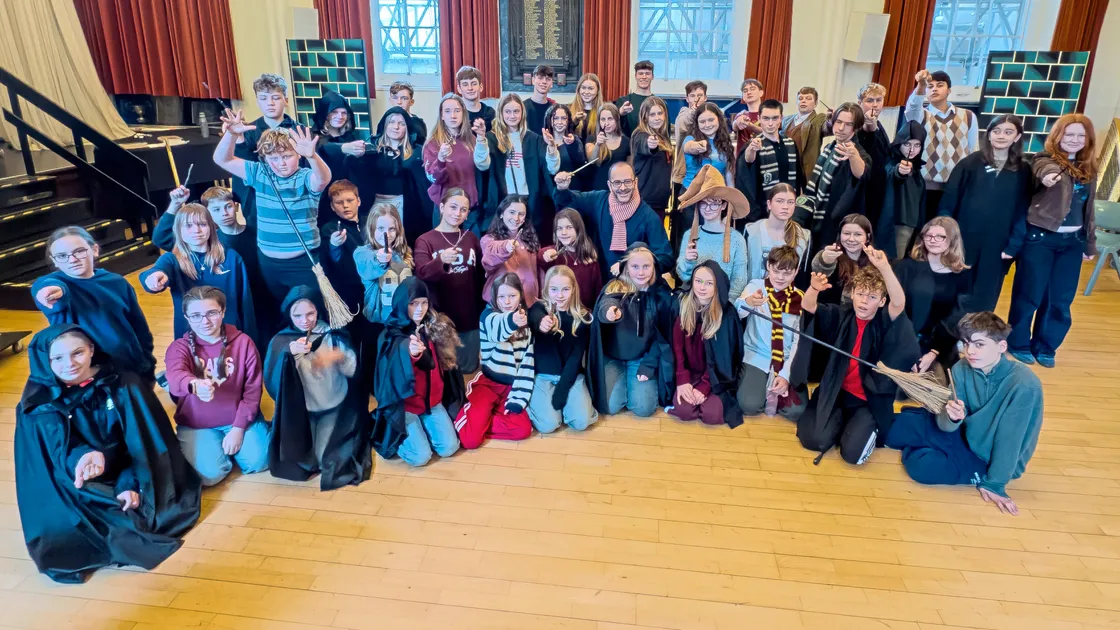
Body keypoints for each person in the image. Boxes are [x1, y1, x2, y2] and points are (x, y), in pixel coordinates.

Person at [16, 324, 201, 584]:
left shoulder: (123, 384)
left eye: (78, 353)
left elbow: (143, 445)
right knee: (83, 526)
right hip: (79, 476)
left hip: (130, 466)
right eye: (56, 358)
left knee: (151, 511)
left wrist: (130, 484)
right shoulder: (38, 405)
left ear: (91, 349)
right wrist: (81, 458)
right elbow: (51, 462)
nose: (70, 364)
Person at [886, 312, 1043, 516]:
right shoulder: (961, 368)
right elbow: (946, 423)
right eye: (966, 344)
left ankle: (926, 442)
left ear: (1001, 347)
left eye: (979, 344)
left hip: (987, 457)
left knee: (922, 467)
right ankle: (926, 439)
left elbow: (1010, 441)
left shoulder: (1024, 385)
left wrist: (995, 483)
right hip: (964, 434)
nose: (970, 351)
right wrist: (952, 417)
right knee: (895, 427)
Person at [792, 249, 920, 465]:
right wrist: (814, 289)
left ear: (881, 302)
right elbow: (809, 307)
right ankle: (842, 424)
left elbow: (898, 303)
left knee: (852, 455)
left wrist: (884, 268)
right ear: (852, 294)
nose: (863, 302)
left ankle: (861, 426)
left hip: (867, 400)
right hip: (836, 392)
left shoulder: (883, 322)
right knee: (813, 439)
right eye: (860, 294)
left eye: (871, 297)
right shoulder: (841, 315)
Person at [213, 109, 330, 313]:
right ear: (265, 158)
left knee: (310, 311)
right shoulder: (260, 173)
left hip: (304, 261)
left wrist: (312, 157)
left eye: (286, 156)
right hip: (269, 262)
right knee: (280, 312)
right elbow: (223, 160)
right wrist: (231, 135)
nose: (280, 163)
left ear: (297, 155)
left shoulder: (304, 177)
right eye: (273, 158)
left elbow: (323, 179)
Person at [1005, 114, 1099, 368]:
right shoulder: (1043, 160)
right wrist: (1048, 178)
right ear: (1058, 136)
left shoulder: (1089, 167)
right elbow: (1043, 171)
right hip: (1040, 239)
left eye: (1081, 135)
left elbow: (1089, 209)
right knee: (1030, 294)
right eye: (1069, 135)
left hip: (1072, 243)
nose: (1075, 140)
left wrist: (1090, 243)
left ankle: (1045, 346)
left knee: (1060, 299)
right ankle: (1018, 343)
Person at [263, 286, 370, 490]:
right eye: (298, 315)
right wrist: (290, 355)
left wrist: (340, 357)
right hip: (303, 411)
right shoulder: (282, 341)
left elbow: (353, 371)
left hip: (333, 406)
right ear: (289, 315)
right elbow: (273, 381)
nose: (305, 320)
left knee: (325, 460)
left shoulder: (332, 334)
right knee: (301, 459)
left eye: (310, 313)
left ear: (318, 311)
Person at [165, 287, 270, 486]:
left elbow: (252, 391)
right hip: (198, 424)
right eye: (196, 315)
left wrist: (238, 429)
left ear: (222, 312)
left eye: (212, 313)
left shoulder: (243, 343)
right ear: (186, 317)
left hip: (236, 418)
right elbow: (176, 378)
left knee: (259, 462)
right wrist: (194, 384)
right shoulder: (178, 348)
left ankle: (241, 441)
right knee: (209, 476)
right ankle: (218, 449)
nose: (205, 322)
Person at [32, 226, 156, 382]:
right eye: (62, 255)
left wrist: (146, 361)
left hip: (129, 366)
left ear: (94, 250)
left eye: (79, 251)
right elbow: (48, 287)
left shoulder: (117, 282)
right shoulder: (55, 285)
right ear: (54, 260)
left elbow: (138, 325)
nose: (72, 259)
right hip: (89, 376)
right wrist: (52, 290)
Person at [939, 114, 1031, 312]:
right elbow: (949, 200)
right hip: (963, 240)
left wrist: (1014, 244)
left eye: (1008, 132)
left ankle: (977, 339)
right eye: (996, 131)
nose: (1001, 136)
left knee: (986, 294)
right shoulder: (970, 163)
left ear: (1017, 137)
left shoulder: (1024, 171)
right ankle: (946, 338)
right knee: (953, 290)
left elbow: (1023, 210)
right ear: (988, 135)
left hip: (998, 244)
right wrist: (945, 236)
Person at [370, 277, 465, 466]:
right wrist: (410, 353)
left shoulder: (434, 327)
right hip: (406, 407)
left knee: (449, 448)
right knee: (420, 457)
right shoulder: (391, 336)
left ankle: (423, 431)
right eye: (413, 304)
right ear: (402, 304)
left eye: (424, 303)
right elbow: (391, 369)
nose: (420, 309)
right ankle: (399, 433)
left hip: (432, 403)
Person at [140, 203, 258, 346]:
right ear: (179, 230)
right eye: (188, 226)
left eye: (202, 224)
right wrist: (153, 278)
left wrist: (250, 340)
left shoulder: (231, 258)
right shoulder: (173, 260)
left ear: (211, 227)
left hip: (229, 336)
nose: (196, 230)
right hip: (193, 338)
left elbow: (245, 301)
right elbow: (157, 271)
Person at [587, 243, 676, 417]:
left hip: (642, 358)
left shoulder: (660, 293)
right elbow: (607, 304)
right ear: (626, 268)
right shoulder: (615, 287)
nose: (641, 272)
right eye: (635, 266)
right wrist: (610, 313)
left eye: (646, 266)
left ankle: (633, 384)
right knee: (610, 407)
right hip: (614, 357)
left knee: (644, 409)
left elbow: (664, 336)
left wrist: (649, 365)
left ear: (654, 267)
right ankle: (623, 381)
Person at [455, 272, 535, 449]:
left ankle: (480, 423)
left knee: (523, 430)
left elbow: (526, 366)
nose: (507, 302)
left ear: (520, 295)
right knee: (470, 441)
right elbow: (498, 328)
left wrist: (518, 399)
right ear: (495, 298)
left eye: (512, 296)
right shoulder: (488, 316)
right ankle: (471, 423)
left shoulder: (526, 326)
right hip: (488, 383)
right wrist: (513, 321)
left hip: (510, 387)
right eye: (502, 297)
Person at [553, 162, 673, 278]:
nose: (623, 187)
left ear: (635, 182)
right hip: (602, 282)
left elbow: (665, 258)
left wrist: (633, 265)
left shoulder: (649, 217)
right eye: (617, 183)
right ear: (609, 185)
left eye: (627, 181)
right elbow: (570, 202)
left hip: (635, 286)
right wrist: (562, 189)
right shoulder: (599, 200)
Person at [413, 188, 485, 373]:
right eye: (453, 207)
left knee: (469, 369)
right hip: (440, 321)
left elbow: (479, 278)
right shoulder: (425, 240)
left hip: (470, 320)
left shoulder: (470, 238)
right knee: (445, 374)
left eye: (463, 209)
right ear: (442, 207)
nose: (458, 213)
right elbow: (421, 274)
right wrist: (441, 261)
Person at [735, 246, 809, 419]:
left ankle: (777, 390)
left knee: (797, 412)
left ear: (797, 271)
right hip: (756, 355)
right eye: (776, 271)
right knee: (748, 405)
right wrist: (750, 302)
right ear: (768, 266)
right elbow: (737, 311)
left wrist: (785, 375)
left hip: (786, 359)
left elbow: (798, 340)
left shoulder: (800, 298)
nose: (781, 278)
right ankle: (763, 390)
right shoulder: (756, 285)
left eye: (787, 273)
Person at [894, 217, 972, 374]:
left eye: (940, 236)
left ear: (952, 240)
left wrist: (934, 352)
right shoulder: (906, 267)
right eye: (928, 236)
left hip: (940, 342)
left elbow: (957, 317)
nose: (933, 240)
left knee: (940, 385)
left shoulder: (962, 275)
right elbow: (895, 308)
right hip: (904, 337)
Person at [669, 261, 743, 426]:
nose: (702, 287)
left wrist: (704, 386)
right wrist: (682, 380)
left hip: (715, 378)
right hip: (689, 373)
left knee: (712, 415)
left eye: (709, 283)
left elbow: (726, 359)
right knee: (685, 411)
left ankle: (706, 397)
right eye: (698, 281)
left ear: (718, 286)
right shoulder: (682, 306)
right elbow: (677, 349)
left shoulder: (727, 316)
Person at [527, 265, 598, 433]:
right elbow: (535, 317)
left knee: (581, 422)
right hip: (543, 376)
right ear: (546, 289)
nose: (559, 295)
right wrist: (542, 323)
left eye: (565, 289)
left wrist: (562, 389)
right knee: (548, 425)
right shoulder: (539, 309)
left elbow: (576, 357)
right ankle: (541, 406)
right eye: (554, 289)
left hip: (571, 376)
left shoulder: (584, 317)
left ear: (573, 289)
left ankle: (566, 406)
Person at [480, 93, 561, 238]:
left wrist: (551, 148)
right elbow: (482, 164)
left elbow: (552, 168)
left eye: (516, 111)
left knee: (529, 243)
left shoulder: (533, 139)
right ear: (501, 113)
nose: (512, 115)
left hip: (529, 200)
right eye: (508, 111)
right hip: (503, 199)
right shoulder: (492, 138)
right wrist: (480, 140)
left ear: (522, 113)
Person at [349, 106, 431, 246]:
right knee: (377, 244)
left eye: (401, 123)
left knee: (402, 244)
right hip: (376, 204)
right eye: (392, 122)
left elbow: (423, 183)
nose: (396, 127)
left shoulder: (417, 152)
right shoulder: (371, 149)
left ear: (407, 127)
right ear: (384, 125)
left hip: (405, 205)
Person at [905, 69, 979, 218]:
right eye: (930, 86)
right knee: (924, 231)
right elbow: (912, 109)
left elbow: (973, 151)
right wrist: (920, 85)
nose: (934, 89)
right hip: (925, 186)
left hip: (956, 187)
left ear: (949, 90)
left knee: (949, 232)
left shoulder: (968, 116)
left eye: (939, 85)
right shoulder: (922, 115)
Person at [230, 73, 302, 224]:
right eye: (263, 98)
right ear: (257, 102)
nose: (270, 103)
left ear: (286, 100)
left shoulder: (299, 131)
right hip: (258, 201)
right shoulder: (248, 131)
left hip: (292, 199)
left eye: (275, 98)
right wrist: (239, 141)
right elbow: (240, 168)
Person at [799, 103, 871, 250]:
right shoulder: (830, 147)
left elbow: (861, 173)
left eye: (848, 124)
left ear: (856, 128)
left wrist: (853, 155)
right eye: (838, 122)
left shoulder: (858, 152)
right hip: (819, 218)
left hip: (837, 225)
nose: (841, 128)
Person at [676, 164, 750, 298]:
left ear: (723, 205)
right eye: (704, 203)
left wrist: (726, 306)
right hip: (693, 304)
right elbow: (683, 275)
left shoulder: (736, 239)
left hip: (723, 306)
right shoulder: (690, 235)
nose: (708, 208)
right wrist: (687, 261)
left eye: (714, 202)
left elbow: (739, 280)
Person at [423, 93, 489, 234]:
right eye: (447, 111)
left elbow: (483, 167)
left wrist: (482, 137)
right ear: (441, 115)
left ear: (463, 113)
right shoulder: (433, 143)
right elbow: (433, 178)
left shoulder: (471, 139)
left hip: (470, 209)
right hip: (446, 210)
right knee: (446, 252)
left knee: (471, 251)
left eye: (457, 111)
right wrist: (440, 159)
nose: (452, 115)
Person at [354, 203, 415, 348]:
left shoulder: (405, 253)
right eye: (381, 228)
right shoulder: (362, 253)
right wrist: (381, 259)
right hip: (378, 325)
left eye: (391, 229)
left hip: (402, 324)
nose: (386, 234)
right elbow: (371, 263)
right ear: (372, 229)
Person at [736, 99, 805, 223]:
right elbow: (748, 161)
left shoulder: (790, 143)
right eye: (766, 118)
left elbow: (799, 176)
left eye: (774, 118)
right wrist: (752, 149)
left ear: (781, 118)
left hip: (788, 209)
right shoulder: (754, 144)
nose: (770, 123)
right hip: (762, 211)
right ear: (759, 118)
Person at [878, 120, 927, 259]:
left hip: (912, 227)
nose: (912, 149)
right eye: (907, 144)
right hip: (897, 225)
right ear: (899, 143)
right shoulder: (891, 163)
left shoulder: (916, 170)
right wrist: (900, 171)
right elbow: (895, 173)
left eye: (917, 145)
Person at [742, 184, 811, 283]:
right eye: (779, 201)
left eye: (790, 202)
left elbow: (802, 277)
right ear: (769, 204)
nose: (785, 207)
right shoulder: (751, 231)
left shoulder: (803, 237)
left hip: (787, 296)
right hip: (753, 293)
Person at [319, 179, 365, 320]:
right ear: (332, 207)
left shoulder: (370, 222)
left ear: (358, 201)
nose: (345, 206)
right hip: (348, 293)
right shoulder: (329, 229)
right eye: (339, 203)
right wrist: (334, 245)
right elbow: (333, 260)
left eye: (350, 200)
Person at [482, 195, 540, 305]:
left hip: (529, 301)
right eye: (512, 212)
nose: (516, 218)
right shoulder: (488, 239)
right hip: (502, 304)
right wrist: (505, 246)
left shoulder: (530, 239)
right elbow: (490, 254)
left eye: (521, 214)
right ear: (502, 213)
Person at [538, 208, 602, 308]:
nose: (564, 232)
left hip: (583, 313)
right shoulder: (555, 254)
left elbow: (597, 291)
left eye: (569, 227)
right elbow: (541, 257)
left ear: (578, 229)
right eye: (559, 228)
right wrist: (545, 255)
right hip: (558, 312)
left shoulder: (590, 256)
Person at [852, 83, 892, 229]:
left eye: (878, 100)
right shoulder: (859, 124)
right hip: (862, 189)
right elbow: (867, 129)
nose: (875, 105)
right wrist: (870, 125)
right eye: (870, 101)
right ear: (860, 103)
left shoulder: (879, 124)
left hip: (879, 186)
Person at [811, 214, 874, 305]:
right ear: (839, 234)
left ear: (868, 237)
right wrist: (826, 260)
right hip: (832, 312)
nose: (851, 239)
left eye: (858, 234)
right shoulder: (832, 253)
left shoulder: (876, 259)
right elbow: (817, 270)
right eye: (846, 233)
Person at [630, 96, 673, 219]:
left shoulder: (663, 136)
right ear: (645, 117)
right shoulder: (640, 135)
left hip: (660, 202)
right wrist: (651, 144)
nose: (657, 118)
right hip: (645, 201)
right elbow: (645, 145)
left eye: (660, 113)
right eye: (652, 114)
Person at [783, 86, 829, 180]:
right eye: (800, 98)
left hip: (803, 173)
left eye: (808, 98)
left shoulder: (819, 120)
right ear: (796, 102)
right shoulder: (786, 120)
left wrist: (832, 119)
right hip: (783, 168)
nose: (803, 101)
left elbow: (828, 127)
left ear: (815, 103)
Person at [585, 103, 631, 192]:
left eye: (610, 119)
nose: (606, 123)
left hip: (619, 190)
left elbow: (629, 169)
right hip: (597, 191)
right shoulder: (592, 139)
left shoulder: (627, 141)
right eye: (603, 119)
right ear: (599, 121)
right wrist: (597, 144)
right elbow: (591, 160)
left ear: (617, 120)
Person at [544, 103, 587, 186]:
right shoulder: (542, 141)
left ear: (568, 121)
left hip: (571, 189)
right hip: (548, 192)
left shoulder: (575, 140)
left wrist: (572, 145)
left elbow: (581, 168)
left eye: (563, 118)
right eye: (556, 118)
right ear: (549, 120)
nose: (559, 122)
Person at [615, 59, 655, 137]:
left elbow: (665, 132)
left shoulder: (658, 103)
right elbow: (614, 129)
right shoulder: (623, 102)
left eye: (647, 73)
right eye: (640, 73)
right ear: (636, 76)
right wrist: (620, 113)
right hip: (629, 147)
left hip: (652, 147)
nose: (644, 77)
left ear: (652, 77)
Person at [727, 78, 764, 154]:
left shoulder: (768, 113)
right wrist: (738, 121)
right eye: (745, 91)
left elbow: (770, 132)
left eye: (752, 89)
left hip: (764, 157)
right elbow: (734, 127)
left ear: (761, 93)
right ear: (743, 97)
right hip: (743, 159)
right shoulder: (741, 115)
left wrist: (750, 126)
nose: (749, 92)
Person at [456, 65, 496, 133]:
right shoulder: (455, 113)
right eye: (465, 84)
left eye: (474, 84)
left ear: (480, 87)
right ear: (459, 89)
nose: (470, 88)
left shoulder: (490, 112)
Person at [388, 81, 428, 145]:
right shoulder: (386, 121)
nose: (399, 102)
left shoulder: (417, 124)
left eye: (404, 98)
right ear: (390, 100)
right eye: (395, 98)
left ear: (411, 102)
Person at [569, 73, 604, 144]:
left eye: (590, 88)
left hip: (595, 152)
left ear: (597, 91)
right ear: (579, 89)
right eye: (583, 88)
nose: (586, 92)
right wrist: (574, 122)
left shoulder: (603, 111)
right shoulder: (569, 109)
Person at [523, 64, 556, 134]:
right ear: (533, 80)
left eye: (548, 79)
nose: (544, 82)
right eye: (540, 78)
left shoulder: (554, 109)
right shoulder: (522, 107)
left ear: (552, 84)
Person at [674, 80, 707, 147]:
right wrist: (693, 111)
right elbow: (684, 120)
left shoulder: (706, 116)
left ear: (705, 98)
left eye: (699, 95)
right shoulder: (684, 113)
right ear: (687, 99)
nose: (696, 99)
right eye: (692, 96)